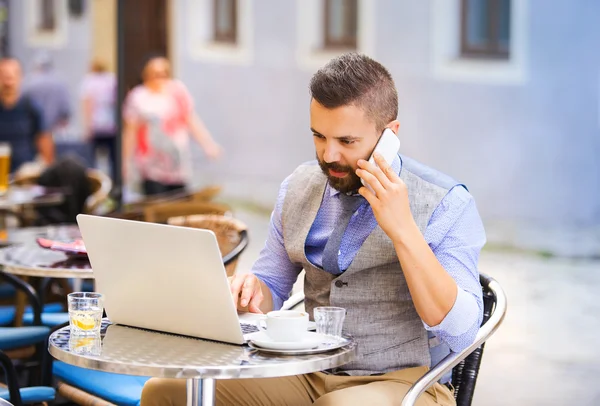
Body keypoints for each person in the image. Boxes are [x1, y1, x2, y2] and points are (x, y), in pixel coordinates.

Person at [141, 53, 485, 406]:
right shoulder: (299, 186)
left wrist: (404, 231)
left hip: (410, 382)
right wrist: (246, 291)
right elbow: (271, 284)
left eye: (347, 141)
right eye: (319, 136)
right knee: (164, 392)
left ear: (389, 135)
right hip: (307, 371)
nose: (329, 154)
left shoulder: (447, 202)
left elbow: (461, 330)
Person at [122, 55, 222, 196]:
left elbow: (191, 120)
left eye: (164, 74)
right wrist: (126, 161)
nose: (160, 78)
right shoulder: (138, 97)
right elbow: (130, 132)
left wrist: (208, 144)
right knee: (157, 205)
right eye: (155, 74)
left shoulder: (177, 91)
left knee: (179, 204)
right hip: (150, 166)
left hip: (177, 164)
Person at [0, 58, 54, 173]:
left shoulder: (32, 108)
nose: (8, 82)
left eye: (12, 76)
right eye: (3, 76)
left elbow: (45, 143)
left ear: (21, 77)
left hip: (24, 176)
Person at [80, 58, 117, 178]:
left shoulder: (89, 81)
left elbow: (88, 105)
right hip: (111, 125)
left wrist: (87, 126)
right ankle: (112, 181)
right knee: (112, 159)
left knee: (93, 160)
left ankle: (96, 181)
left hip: (96, 125)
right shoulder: (112, 79)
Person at [22, 51, 71, 133]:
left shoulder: (29, 82)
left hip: (32, 127)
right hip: (54, 128)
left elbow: (21, 103)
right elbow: (65, 108)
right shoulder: (60, 82)